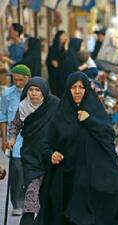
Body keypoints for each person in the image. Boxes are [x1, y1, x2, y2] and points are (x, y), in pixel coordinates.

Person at [34, 71, 118, 225]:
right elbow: (45, 144)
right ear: (68, 89)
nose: (77, 91)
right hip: (67, 173)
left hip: (96, 170)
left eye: (81, 87)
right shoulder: (59, 114)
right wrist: (51, 154)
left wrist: (89, 120)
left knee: (114, 192)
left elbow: (108, 136)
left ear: (87, 89)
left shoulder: (95, 109)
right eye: (73, 87)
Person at [7, 77, 59, 225]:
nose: (34, 93)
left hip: (50, 155)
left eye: (37, 90)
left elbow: (64, 121)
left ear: (44, 92)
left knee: (47, 192)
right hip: (30, 155)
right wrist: (11, 139)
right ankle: (27, 219)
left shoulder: (54, 104)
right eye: (31, 90)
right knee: (31, 189)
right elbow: (15, 125)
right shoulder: (23, 107)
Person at [0, 65, 31, 216]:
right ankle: (17, 203)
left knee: (29, 171)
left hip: (31, 138)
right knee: (16, 170)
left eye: (21, 80)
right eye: (15, 80)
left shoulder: (34, 93)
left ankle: (28, 200)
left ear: (28, 79)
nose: (18, 83)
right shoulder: (7, 94)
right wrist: (4, 139)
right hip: (14, 140)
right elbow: (3, 116)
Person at [46, 30, 68, 96]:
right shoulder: (53, 48)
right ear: (58, 37)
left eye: (65, 35)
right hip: (54, 75)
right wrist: (52, 61)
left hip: (64, 75)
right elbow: (50, 61)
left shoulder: (66, 48)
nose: (65, 37)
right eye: (63, 35)